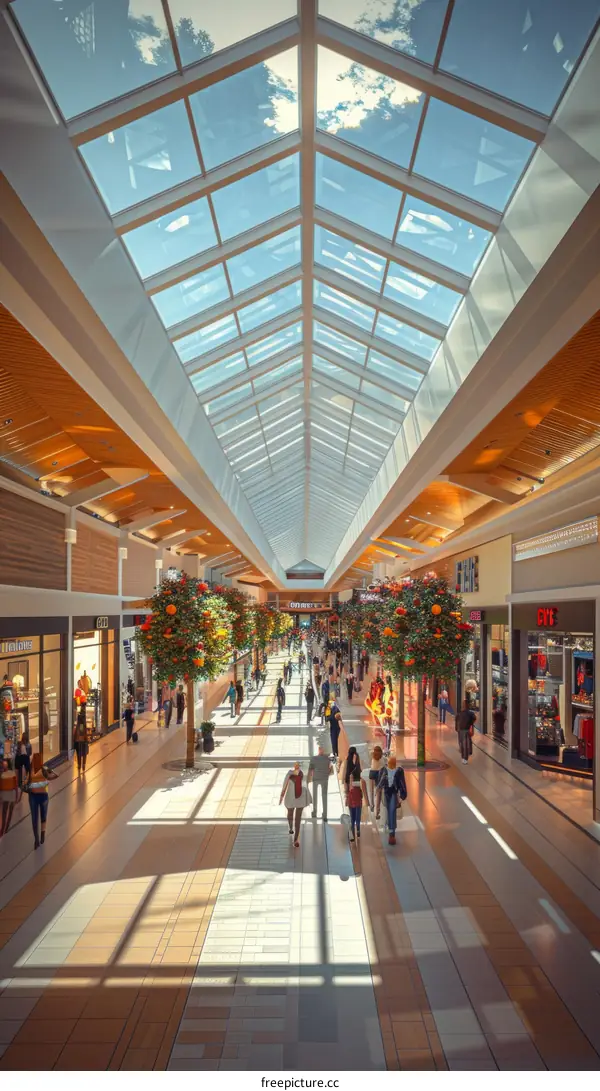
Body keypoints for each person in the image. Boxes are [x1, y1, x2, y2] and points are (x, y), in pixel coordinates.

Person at [26, 752, 58, 849]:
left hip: (33, 797)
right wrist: (49, 770)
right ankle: (42, 835)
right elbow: (56, 775)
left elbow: (26, 783)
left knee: (34, 819)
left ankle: (36, 840)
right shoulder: (43, 770)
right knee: (43, 817)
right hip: (43, 796)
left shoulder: (30, 771)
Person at [377, 755, 407, 845]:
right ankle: (388, 828)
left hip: (393, 793)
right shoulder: (383, 770)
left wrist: (402, 795)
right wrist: (378, 788)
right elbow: (380, 781)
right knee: (387, 811)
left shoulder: (399, 771)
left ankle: (392, 833)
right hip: (386, 793)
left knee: (392, 811)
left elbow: (402, 783)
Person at [280, 761, 311, 847]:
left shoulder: (303, 775)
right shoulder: (289, 774)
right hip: (290, 797)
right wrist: (282, 795)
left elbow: (306, 784)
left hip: (300, 798)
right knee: (290, 814)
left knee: (298, 819)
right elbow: (284, 785)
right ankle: (290, 827)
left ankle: (296, 839)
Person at [308, 744, 333, 821]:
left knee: (315, 795)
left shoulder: (313, 758)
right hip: (324, 779)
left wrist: (308, 779)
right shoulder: (328, 759)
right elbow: (331, 770)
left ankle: (315, 812)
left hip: (316, 778)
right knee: (324, 796)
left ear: (319, 749)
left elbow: (310, 770)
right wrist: (326, 773)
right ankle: (325, 815)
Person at [0, 758, 19, 838]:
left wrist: (16, 795)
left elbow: (15, 785)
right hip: (6, 793)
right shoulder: (3, 774)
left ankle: (5, 828)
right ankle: (4, 828)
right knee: (5, 812)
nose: (4, 766)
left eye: (4, 764)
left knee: (8, 811)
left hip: (10, 793)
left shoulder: (11, 773)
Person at [456, 699, 476, 763]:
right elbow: (474, 719)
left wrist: (457, 728)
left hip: (461, 730)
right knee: (466, 744)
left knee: (462, 744)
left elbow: (457, 721)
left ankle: (464, 757)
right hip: (466, 729)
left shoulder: (460, 713)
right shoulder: (470, 713)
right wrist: (471, 724)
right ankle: (465, 757)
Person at [348, 770, 365, 843]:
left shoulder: (351, 779)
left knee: (352, 819)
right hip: (358, 802)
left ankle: (352, 836)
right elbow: (362, 795)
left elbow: (349, 790)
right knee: (358, 818)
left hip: (351, 801)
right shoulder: (360, 784)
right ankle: (358, 830)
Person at [367, 745, 385, 813]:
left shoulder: (372, 756)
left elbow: (370, 752)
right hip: (379, 774)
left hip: (372, 773)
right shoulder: (382, 758)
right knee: (378, 792)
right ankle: (377, 809)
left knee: (371, 790)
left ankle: (372, 804)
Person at [15, 731, 32, 796]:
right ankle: (27, 783)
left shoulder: (19, 743)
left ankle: (19, 784)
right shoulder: (29, 744)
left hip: (19, 758)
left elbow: (16, 751)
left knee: (19, 771)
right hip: (25, 758)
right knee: (28, 770)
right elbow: (30, 753)